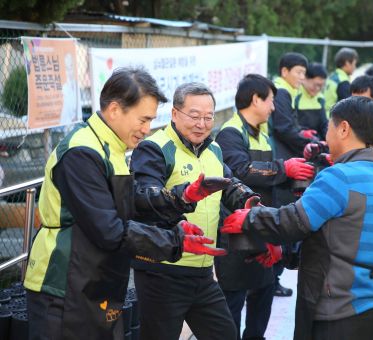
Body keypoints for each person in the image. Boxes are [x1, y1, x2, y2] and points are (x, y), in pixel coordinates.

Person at [23, 68, 223, 340]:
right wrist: (174, 242)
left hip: (96, 278)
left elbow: (130, 205)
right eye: (143, 119)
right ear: (115, 109)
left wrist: (180, 199)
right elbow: (108, 229)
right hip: (64, 283)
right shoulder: (82, 152)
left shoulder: (114, 149)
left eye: (151, 120)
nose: (147, 129)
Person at [221, 96, 373, 340]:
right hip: (367, 308)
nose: (326, 137)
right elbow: (338, 241)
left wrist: (250, 218)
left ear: (343, 129)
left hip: (335, 312)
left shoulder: (340, 176)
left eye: (329, 128)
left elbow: (294, 220)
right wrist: (284, 253)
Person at [130, 82, 260, 340]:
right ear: (175, 114)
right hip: (162, 271)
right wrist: (185, 194)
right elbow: (143, 197)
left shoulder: (214, 149)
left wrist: (253, 205)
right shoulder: (154, 147)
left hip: (203, 271)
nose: (202, 124)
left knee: (225, 334)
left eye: (208, 117)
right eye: (194, 116)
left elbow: (229, 184)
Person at [215, 74, 315, 340]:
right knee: (233, 303)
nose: (273, 108)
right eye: (270, 100)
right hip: (235, 234)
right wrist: (285, 167)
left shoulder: (263, 135)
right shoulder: (230, 133)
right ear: (255, 99)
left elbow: (269, 182)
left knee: (263, 295)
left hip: (262, 229)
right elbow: (240, 171)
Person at [269, 52, 313, 297]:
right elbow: (284, 128)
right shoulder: (282, 92)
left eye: (303, 73)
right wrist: (306, 144)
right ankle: (273, 276)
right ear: (285, 71)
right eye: (298, 72)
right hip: (283, 163)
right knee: (282, 219)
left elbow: (289, 127)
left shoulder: (286, 92)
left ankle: (274, 276)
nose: (301, 77)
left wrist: (303, 134)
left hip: (284, 159)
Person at [295, 62, 329, 140]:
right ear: (304, 79)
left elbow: (324, 124)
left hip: (316, 141)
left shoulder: (320, 98)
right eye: (316, 85)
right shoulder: (295, 96)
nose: (318, 89)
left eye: (321, 86)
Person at [324, 47, 358, 112]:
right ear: (347, 63)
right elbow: (347, 105)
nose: (355, 67)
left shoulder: (332, 76)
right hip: (334, 117)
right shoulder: (343, 81)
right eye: (354, 64)